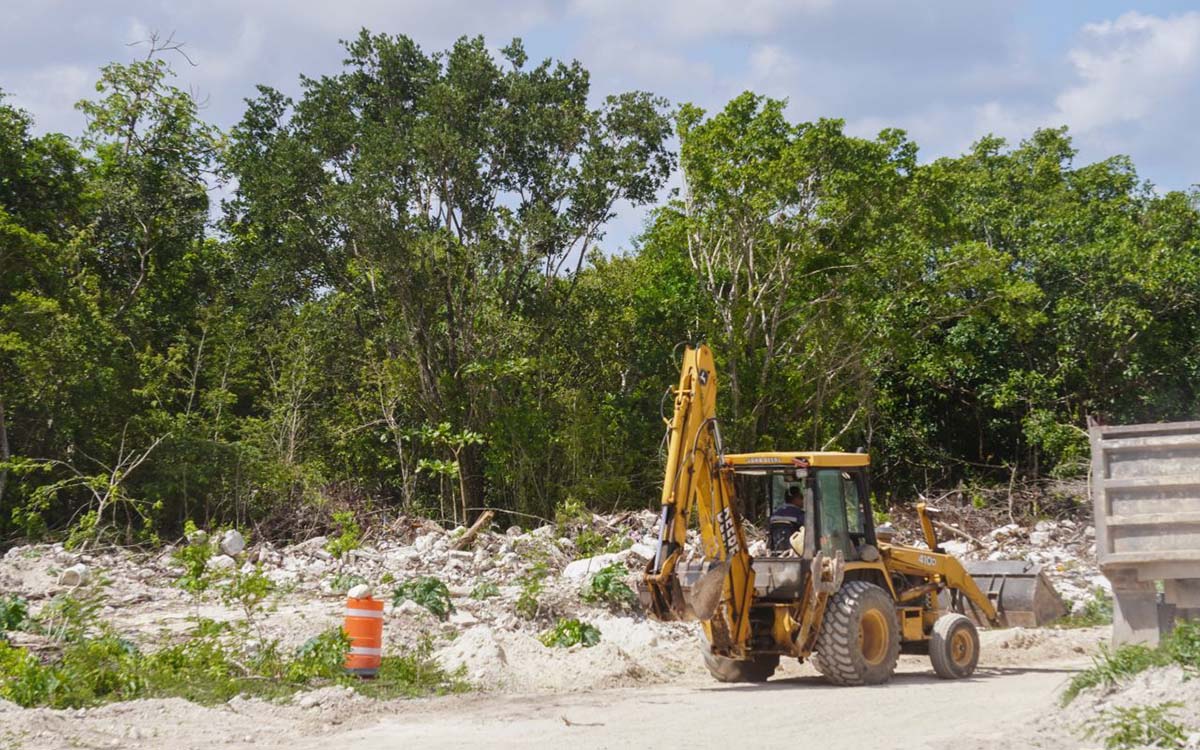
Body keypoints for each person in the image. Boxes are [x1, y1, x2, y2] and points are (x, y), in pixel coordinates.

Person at [768, 485, 806, 552]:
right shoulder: (800, 514)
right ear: (795, 498)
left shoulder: (774, 514)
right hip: (795, 551)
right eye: (801, 497)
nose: (803, 500)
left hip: (775, 550)